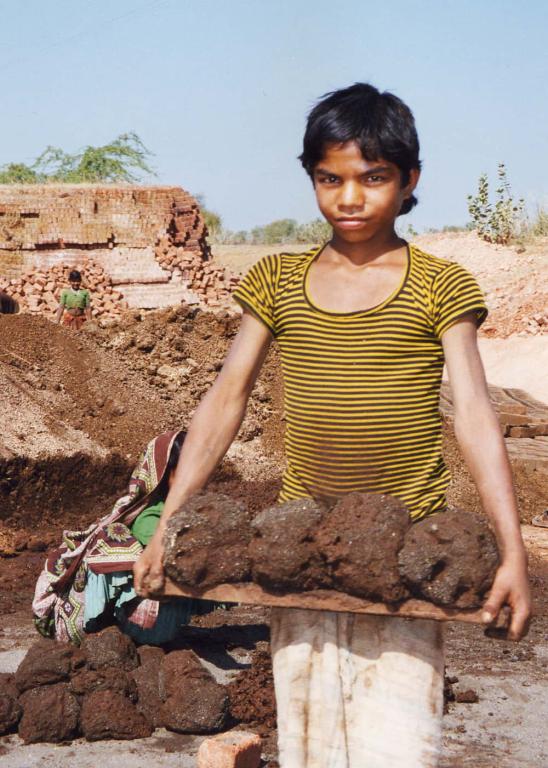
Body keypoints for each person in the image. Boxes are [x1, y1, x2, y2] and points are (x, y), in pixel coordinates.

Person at [134, 83, 531, 767]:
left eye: (373, 178)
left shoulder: (441, 286)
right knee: (315, 745)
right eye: (331, 178)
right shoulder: (278, 281)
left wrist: (513, 552)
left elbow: (474, 416)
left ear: (409, 180)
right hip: (302, 553)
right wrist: (169, 521)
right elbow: (226, 400)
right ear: (312, 178)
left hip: (410, 560)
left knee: (397, 745)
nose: (350, 197)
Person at [33, 429, 213, 645]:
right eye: (184, 471)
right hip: (122, 625)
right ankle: (107, 630)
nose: (193, 478)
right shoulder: (151, 517)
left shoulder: (192, 511)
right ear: (167, 474)